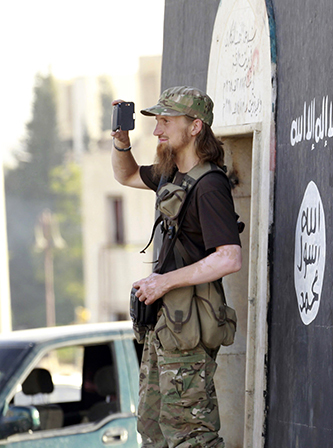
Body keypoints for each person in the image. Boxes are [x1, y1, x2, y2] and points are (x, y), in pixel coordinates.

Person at [111, 86, 242, 448]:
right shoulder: (171, 174)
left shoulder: (210, 185)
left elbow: (229, 256)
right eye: (157, 122)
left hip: (190, 328)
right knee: (154, 429)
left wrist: (163, 282)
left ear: (196, 126)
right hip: (165, 328)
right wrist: (122, 141)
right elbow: (127, 175)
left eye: (167, 121)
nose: (158, 130)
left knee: (190, 436)